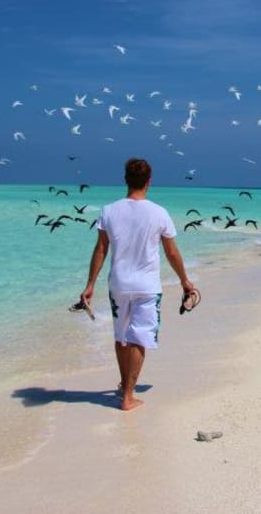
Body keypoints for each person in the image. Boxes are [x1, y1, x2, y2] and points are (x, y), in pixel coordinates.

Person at [80, 158, 196, 411]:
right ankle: (128, 396)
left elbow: (101, 249)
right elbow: (172, 253)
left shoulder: (109, 210)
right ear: (149, 181)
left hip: (118, 284)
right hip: (147, 286)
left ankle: (124, 385)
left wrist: (90, 284)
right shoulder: (159, 212)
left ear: (126, 180)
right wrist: (184, 280)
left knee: (122, 337)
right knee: (139, 338)